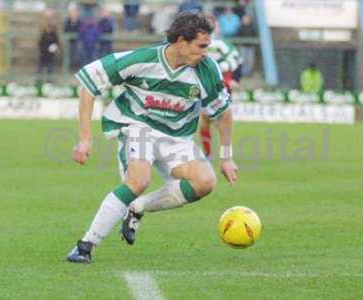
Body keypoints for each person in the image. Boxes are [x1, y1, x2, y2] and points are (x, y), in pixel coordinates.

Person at [67, 12, 238, 263]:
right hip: (139, 127)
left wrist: (226, 157)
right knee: (139, 180)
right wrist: (84, 138)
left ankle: (138, 207)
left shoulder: (206, 69)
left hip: (177, 137)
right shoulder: (143, 59)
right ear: (181, 41)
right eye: (201, 46)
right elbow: (88, 83)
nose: (205, 52)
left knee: (205, 182)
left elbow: (223, 114)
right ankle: (85, 245)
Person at [199, 17, 242, 159]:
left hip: (219, 86)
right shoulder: (198, 43)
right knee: (206, 121)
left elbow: (236, 61)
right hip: (203, 86)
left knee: (220, 121)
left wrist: (233, 79)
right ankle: (209, 154)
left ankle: (220, 155)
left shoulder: (221, 44)